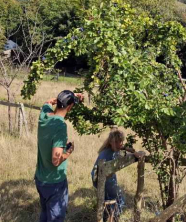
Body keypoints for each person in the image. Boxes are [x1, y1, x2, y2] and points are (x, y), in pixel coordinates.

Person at [35, 90, 83, 222]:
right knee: (55, 218)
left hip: (40, 178)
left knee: (45, 213)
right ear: (70, 107)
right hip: (54, 182)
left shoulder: (44, 115)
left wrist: (71, 96)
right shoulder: (60, 125)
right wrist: (68, 152)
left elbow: (48, 102)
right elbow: (56, 160)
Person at [91, 130, 145, 221]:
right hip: (103, 179)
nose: (119, 144)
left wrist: (132, 151)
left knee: (113, 199)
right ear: (111, 142)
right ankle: (112, 218)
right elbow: (97, 174)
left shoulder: (114, 148)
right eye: (116, 141)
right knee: (117, 199)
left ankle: (110, 217)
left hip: (109, 177)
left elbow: (121, 147)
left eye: (121, 141)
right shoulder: (105, 154)